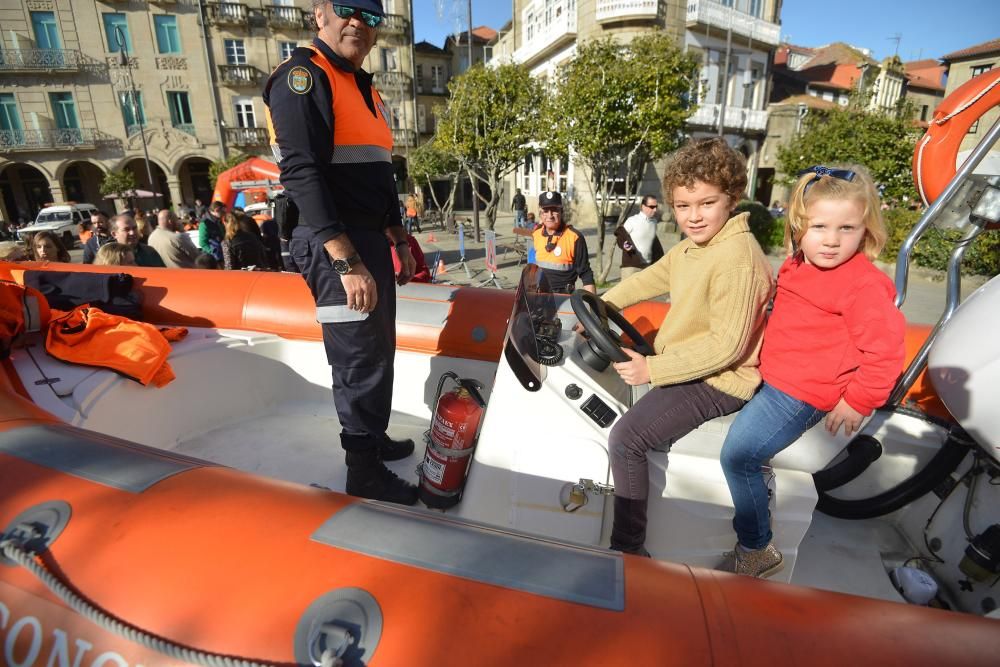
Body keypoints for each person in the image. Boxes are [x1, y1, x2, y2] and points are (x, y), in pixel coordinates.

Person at [263, 0, 419, 504]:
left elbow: (379, 171)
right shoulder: (303, 78)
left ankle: (371, 439)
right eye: (348, 10)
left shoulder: (363, 86)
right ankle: (362, 471)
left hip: (369, 238)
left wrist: (397, 235)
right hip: (335, 241)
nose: (359, 23)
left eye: (371, 17)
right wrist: (345, 259)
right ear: (320, 14)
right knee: (357, 357)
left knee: (378, 351)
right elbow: (301, 173)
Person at [717, 165, 905, 578]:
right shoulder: (797, 265)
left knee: (737, 457)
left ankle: (755, 547)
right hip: (775, 380)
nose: (833, 240)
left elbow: (886, 351)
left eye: (847, 228)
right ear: (799, 227)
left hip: (800, 395)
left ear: (866, 231)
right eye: (820, 226)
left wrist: (858, 400)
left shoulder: (862, 285)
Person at [597, 137, 774, 556]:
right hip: (691, 365)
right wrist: (600, 305)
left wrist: (653, 371)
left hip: (719, 380)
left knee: (626, 439)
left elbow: (726, 348)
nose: (693, 217)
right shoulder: (696, 247)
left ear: (732, 199)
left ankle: (628, 550)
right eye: (682, 206)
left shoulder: (737, 257)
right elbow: (650, 278)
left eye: (706, 204)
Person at [531, 190, 595, 294]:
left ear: (561, 212)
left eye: (554, 210)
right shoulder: (536, 234)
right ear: (541, 214)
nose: (550, 215)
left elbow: (586, 273)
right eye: (545, 211)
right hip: (540, 297)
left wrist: (592, 304)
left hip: (563, 298)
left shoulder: (575, 237)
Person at [615, 194, 664, 280]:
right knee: (627, 293)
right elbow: (620, 234)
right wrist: (625, 244)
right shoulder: (632, 220)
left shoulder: (654, 222)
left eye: (656, 207)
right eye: (652, 207)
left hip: (647, 267)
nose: (655, 210)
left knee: (647, 293)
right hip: (631, 266)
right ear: (643, 207)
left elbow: (653, 242)